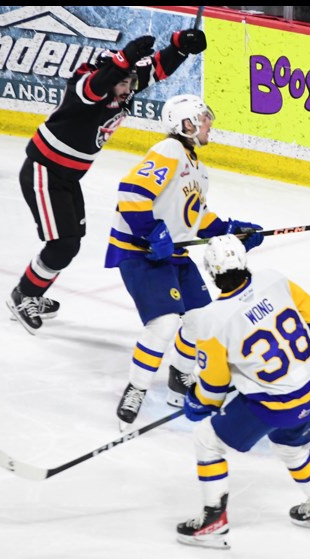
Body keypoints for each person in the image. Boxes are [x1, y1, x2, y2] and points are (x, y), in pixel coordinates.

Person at [6, 29, 208, 334]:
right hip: (44, 171)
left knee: (69, 244)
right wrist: (123, 59)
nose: (128, 89)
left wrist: (180, 48)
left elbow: (155, 69)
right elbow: (94, 86)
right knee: (63, 244)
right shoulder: (87, 86)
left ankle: (31, 289)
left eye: (129, 83)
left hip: (68, 178)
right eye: (122, 82)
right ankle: (24, 294)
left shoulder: (121, 86)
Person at [106, 94, 264, 431]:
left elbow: (195, 215)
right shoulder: (169, 151)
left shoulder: (199, 169)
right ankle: (136, 388)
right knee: (163, 325)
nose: (210, 124)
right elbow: (132, 192)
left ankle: (180, 378)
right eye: (203, 118)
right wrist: (150, 233)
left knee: (203, 321)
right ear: (186, 124)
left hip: (173, 254)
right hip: (140, 252)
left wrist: (231, 231)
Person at [176, 235, 310, 550]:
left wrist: (197, 401)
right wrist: (308, 356)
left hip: (272, 404)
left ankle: (213, 521)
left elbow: (212, 388)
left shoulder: (213, 319)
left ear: (211, 273)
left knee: (207, 442)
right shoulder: (274, 279)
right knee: (291, 449)